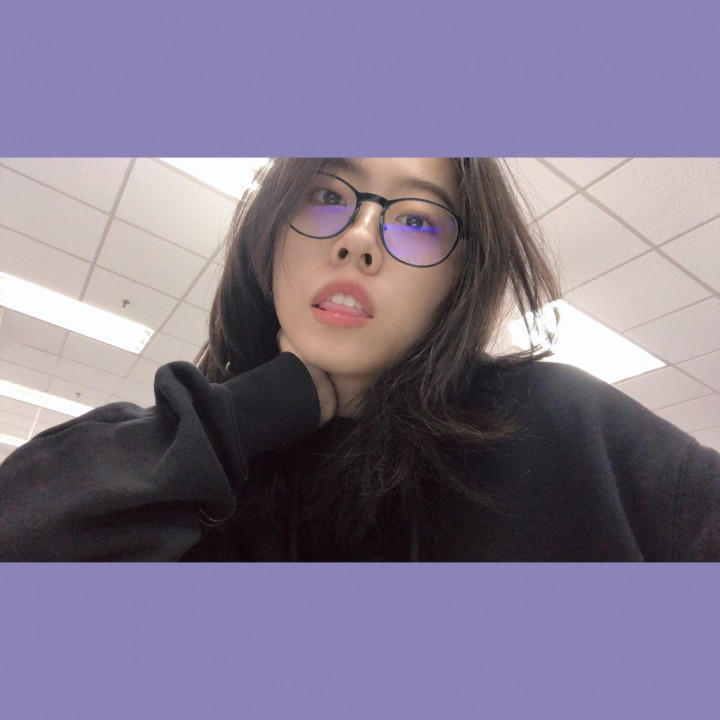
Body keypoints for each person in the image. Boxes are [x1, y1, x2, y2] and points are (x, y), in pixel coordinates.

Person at [0, 157, 718, 561]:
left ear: (459, 283)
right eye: (325, 195)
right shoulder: (188, 471)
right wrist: (264, 405)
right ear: (268, 235)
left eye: (417, 220)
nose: (359, 238)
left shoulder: (567, 428)